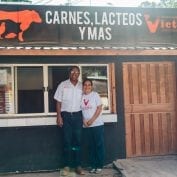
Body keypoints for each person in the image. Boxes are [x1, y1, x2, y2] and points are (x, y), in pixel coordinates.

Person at [54, 66, 85, 175]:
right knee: (67, 141)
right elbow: (58, 102)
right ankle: (66, 166)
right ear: (69, 73)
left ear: (79, 74)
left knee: (78, 142)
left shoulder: (82, 86)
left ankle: (78, 166)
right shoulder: (63, 85)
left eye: (77, 72)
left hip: (78, 116)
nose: (75, 73)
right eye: (73, 71)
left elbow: (87, 100)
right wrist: (59, 116)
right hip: (66, 116)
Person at [81, 78, 105, 174]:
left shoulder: (95, 95)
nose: (87, 86)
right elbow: (81, 111)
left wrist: (91, 120)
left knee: (98, 145)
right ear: (83, 86)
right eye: (85, 85)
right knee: (90, 147)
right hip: (86, 126)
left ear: (91, 86)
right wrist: (84, 121)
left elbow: (99, 108)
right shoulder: (81, 97)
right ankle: (93, 165)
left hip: (97, 125)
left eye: (89, 85)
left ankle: (99, 165)